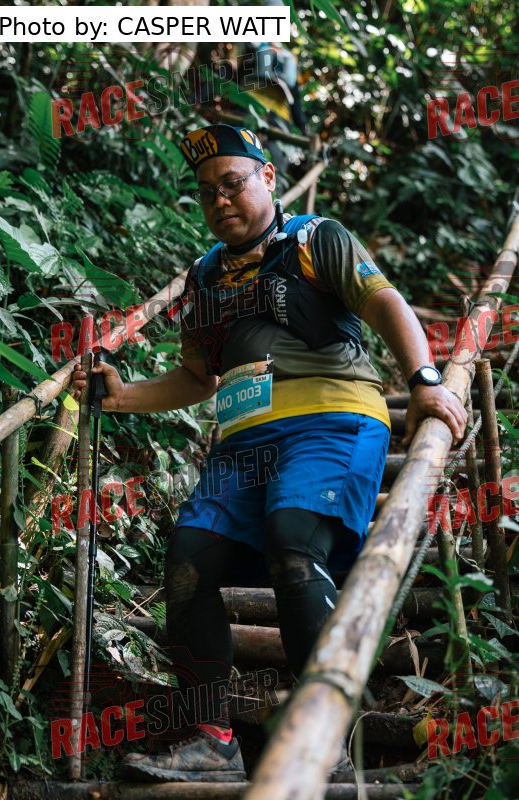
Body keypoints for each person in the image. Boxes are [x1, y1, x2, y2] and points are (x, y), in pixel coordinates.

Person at [72, 124, 467, 782]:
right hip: (244, 442)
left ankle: (327, 737)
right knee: (188, 559)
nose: (220, 200)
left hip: (333, 421)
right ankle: (213, 738)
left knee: (292, 537)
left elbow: (384, 303)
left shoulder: (316, 239)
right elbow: (196, 379)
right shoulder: (203, 278)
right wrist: (122, 397)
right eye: (207, 192)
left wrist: (424, 382)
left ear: (268, 178)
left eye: (232, 183)